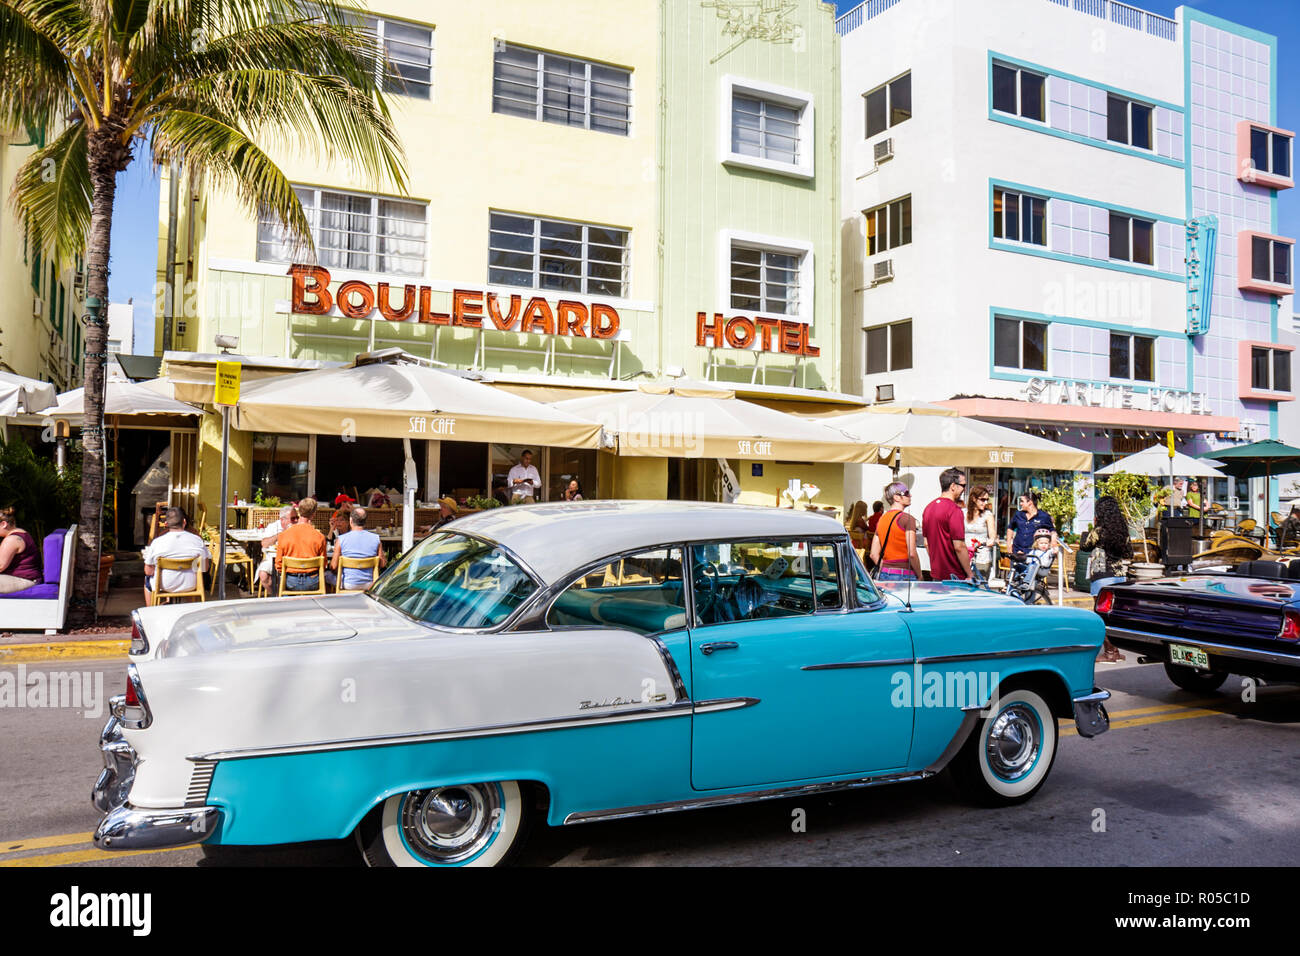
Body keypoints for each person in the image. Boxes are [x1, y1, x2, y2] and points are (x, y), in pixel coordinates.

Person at [1081, 496, 1133, 663]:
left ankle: (1110, 652)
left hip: (1102, 575)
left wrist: (1094, 527)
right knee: (1114, 615)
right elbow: (1129, 553)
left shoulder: (1100, 530)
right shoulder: (1123, 530)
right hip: (1119, 576)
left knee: (1101, 615)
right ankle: (1116, 650)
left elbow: (1085, 545)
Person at [141, 507, 209, 604]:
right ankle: (191, 607)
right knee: (197, 573)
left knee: (147, 579)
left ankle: (151, 610)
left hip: (164, 585)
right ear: (184, 522)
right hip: (191, 584)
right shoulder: (197, 540)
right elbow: (205, 568)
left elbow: (148, 571)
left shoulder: (157, 542)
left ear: (166, 524)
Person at [922, 467, 972, 582]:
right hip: (954, 576)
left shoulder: (928, 508)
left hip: (936, 574)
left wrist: (936, 564)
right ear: (953, 486)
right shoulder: (954, 510)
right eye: (963, 485)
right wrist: (970, 574)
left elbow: (926, 543)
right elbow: (959, 546)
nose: (964, 489)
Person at [869, 482, 923, 581]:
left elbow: (873, 554)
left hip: (884, 573)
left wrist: (885, 568)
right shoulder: (908, 519)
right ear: (896, 497)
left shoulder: (881, 520)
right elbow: (912, 553)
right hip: (904, 574)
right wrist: (920, 575)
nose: (910, 495)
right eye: (906, 493)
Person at [276, 497, 327, 592]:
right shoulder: (320, 537)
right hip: (313, 581)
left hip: (291, 581)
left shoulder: (284, 535)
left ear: (299, 512)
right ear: (314, 514)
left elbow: (278, 564)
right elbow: (323, 564)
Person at [332, 507, 386, 591]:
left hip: (348, 583)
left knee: (325, 575)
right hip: (370, 584)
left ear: (350, 521)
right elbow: (382, 564)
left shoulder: (341, 539)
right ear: (365, 522)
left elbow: (334, 566)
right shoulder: (376, 539)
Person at [0, 506, 42, 595]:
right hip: (27, 578)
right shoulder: (22, 533)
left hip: (24, 579)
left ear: (3, 524)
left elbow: (0, 566)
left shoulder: (12, 539)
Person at [257, 504, 297, 596]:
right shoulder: (273, 527)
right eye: (293, 518)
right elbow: (264, 544)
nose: (296, 520)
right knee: (263, 575)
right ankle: (276, 596)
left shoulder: (298, 527)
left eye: (297, 518)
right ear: (282, 520)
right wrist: (279, 536)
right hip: (274, 559)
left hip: (294, 559)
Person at [1006, 490, 1058, 557]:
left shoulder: (1044, 516)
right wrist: (1009, 544)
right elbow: (1010, 528)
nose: (1020, 503)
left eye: (1022, 501)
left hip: (1034, 554)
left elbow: (1052, 531)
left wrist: (1053, 542)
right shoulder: (1018, 514)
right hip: (1017, 551)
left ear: (1030, 503)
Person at [964, 484, 997, 579]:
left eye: (987, 500)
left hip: (982, 556)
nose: (985, 502)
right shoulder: (963, 513)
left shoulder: (988, 515)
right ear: (974, 499)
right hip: (965, 555)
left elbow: (992, 533)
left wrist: (991, 540)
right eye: (982, 500)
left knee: (980, 584)